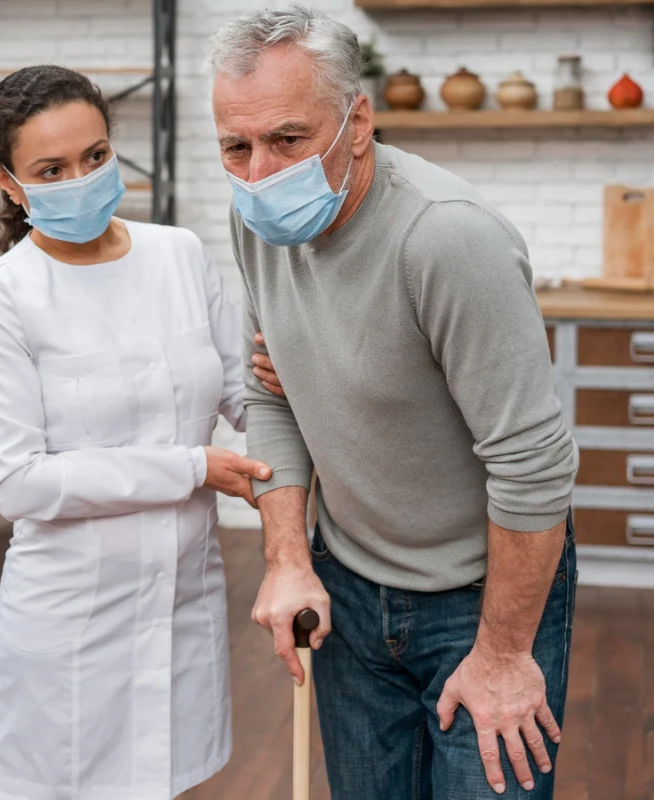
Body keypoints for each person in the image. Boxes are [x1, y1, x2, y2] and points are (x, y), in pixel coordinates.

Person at [206, 7, 579, 799]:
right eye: (237, 147)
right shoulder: (257, 222)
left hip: (485, 596)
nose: (259, 174)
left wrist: (503, 653)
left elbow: (534, 467)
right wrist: (287, 558)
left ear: (358, 121)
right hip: (348, 584)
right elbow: (271, 398)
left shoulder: (446, 239)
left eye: (288, 138)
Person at [0, 64, 279, 800]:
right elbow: (18, 482)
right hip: (69, 617)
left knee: (167, 781)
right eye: (52, 170)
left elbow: (243, 395)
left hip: (182, 601)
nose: (80, 180)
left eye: (95, 156)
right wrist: (193, 468)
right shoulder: (4, 297)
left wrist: (292, 382)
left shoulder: (178, 254)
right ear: (8, 181)